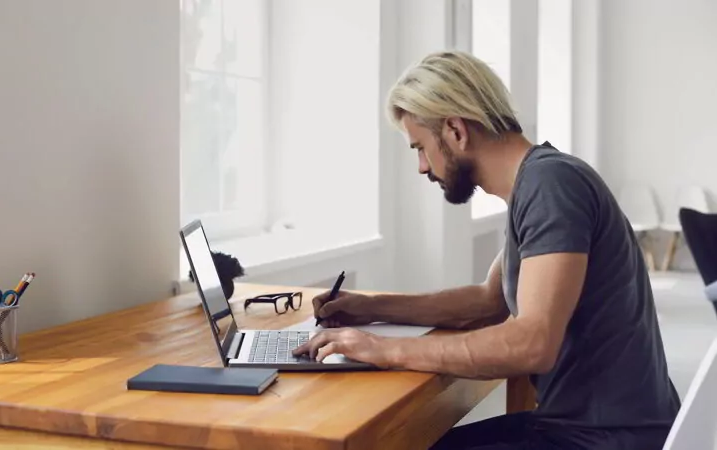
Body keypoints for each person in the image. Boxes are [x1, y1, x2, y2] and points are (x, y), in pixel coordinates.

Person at [292, 50, 681, 449]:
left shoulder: (551, 184)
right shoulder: (534, 184)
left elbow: (532, 342)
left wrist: (383, 349)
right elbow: (487, 301)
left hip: (608, 438)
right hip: (582, 425)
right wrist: (370, 308)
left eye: (421, 148)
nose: (422, 167)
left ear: (456, 131)